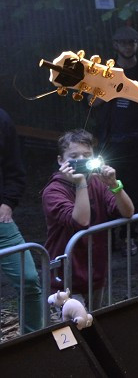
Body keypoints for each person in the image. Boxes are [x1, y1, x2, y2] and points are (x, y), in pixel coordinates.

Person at [42, 129, 135, 307]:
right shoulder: (53, 191)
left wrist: (115, 185)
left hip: (94, 271)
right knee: (75, 327)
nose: (81, 160)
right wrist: (81, 183)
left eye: (87, 155)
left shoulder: (98, 181)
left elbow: (128, 212)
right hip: (65, 277)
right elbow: (81, 221)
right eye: (74, 155)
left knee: (94, 324)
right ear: (61, 160)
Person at [92, 25, 138, 254]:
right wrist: (111, 88)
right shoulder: (106, 71)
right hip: (110, 142)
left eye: (132, 42)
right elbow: (91, 102)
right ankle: (108, 238)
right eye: (123, 43)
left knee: (135, 191)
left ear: (137, 45)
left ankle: (129, 235)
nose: (128, 46)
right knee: (105, 189)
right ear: (115, 45)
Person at [0, 107, 45, 334]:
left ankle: (34, 344)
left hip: (0, 223)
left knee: (28, 279)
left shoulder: (2, 119)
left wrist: (8, 202)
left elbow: (14, 168)